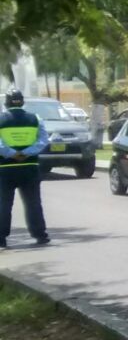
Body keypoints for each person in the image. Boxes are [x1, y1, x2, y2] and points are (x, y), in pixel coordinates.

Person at [0, 89, 51, 248]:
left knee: (4, 204)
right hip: (30, 167)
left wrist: (12, 154)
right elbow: (43, 141)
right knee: (33, 203)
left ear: (6, 103)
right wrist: (26, 153)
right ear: (22, 102)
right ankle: (40, 235)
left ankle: (1, 238)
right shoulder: (35, 119)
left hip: (5, 168)